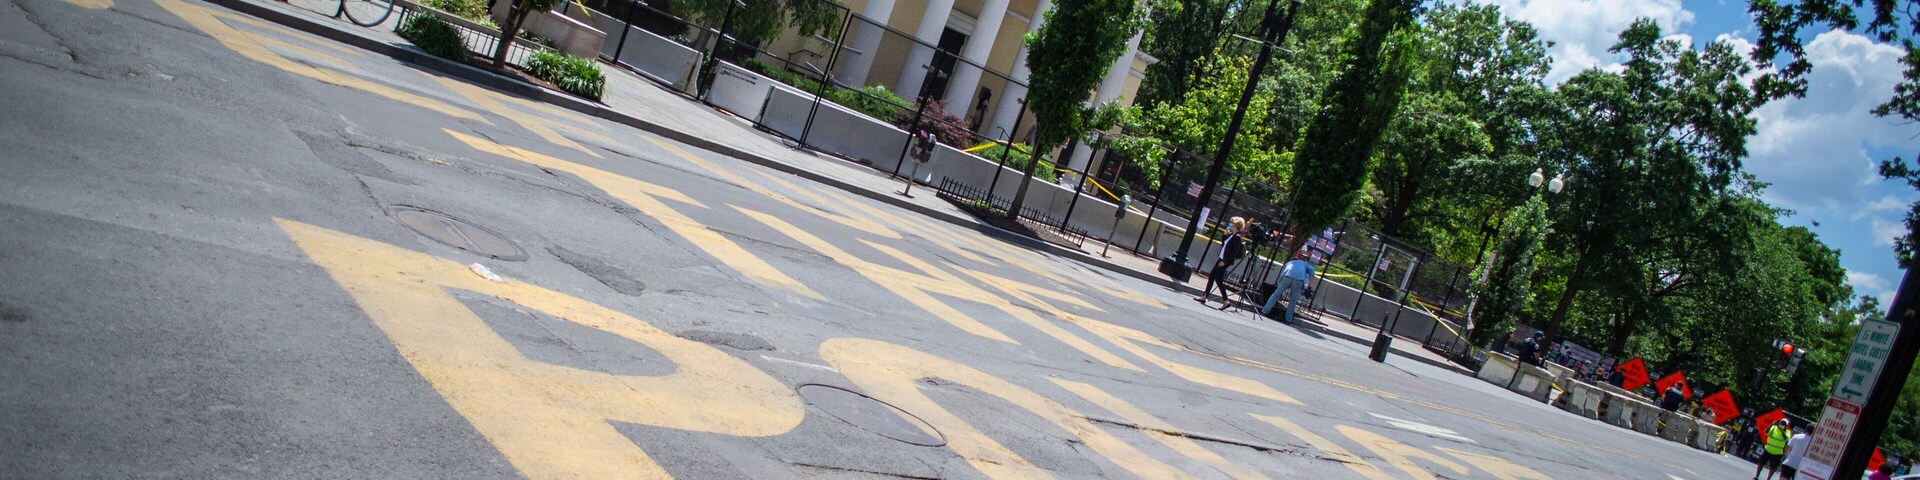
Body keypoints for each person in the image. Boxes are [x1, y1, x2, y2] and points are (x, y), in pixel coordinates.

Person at [1196, 217, 1249, 308]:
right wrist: (1225, 234)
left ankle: (1226, 301)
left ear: (1236, 226)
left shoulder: (1237, 238)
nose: (1231, 225)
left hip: (1225, 261)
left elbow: (1234, 252)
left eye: (1232, 224)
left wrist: (1225, 262)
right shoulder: (1232, 235)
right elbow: (1224, 244)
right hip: (1221, 259)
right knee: (1212, 276)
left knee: (1218, 279)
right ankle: (1204, 296)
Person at [1260, 250, 1317, 324]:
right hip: (1298, 279)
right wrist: (1309, 285)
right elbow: (1312, 270)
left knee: (1276, 294)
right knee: (1293, 300)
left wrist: (1278, 284)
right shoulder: (1304, 264)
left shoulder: (1289, 263)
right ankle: (1288, 319)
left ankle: (1264, 311)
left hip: (1287, 275)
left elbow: (1282, 274)